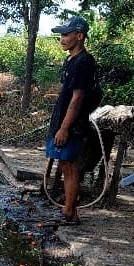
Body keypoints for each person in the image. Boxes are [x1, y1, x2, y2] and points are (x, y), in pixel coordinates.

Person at [45, 15, 100, 226]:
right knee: (66, 164)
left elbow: (78, 99)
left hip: (72, 124)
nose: (62, 38)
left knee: (70, 166)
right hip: (62, 119)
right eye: (61, 35)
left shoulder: (85, 62)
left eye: (66, 34)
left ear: (80, 36)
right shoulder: (70, 60)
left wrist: (65, 128)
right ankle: (69, 210)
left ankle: (71, 211)